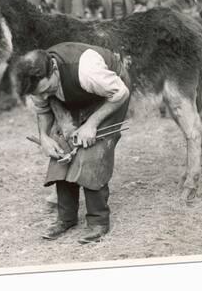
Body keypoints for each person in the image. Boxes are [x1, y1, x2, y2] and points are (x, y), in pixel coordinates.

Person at [15, 42, 130, 243]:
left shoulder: (87, 70)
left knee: (92, 152)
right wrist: (44, 137)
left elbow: (120, 93)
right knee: (61, 149)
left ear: (54, 70)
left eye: (46, 90)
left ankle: (98, 221)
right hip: (75, 95)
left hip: (110, 94)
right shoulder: (37, 83)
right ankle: (66, 218)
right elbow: (43, 109)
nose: (43, 97)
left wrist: (92, 124)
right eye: (38, 94)